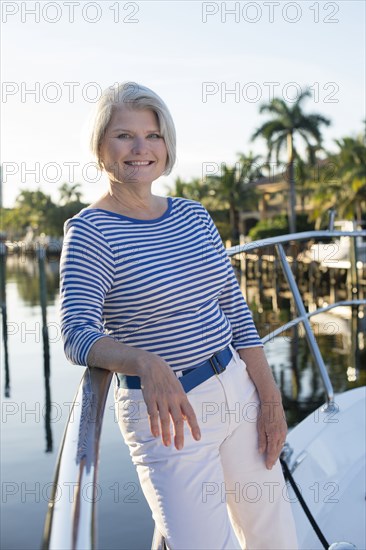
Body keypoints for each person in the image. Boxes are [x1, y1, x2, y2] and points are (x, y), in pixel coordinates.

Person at [60, 81, 298, 550]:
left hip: (237, 388)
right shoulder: (90, 231)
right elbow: (75, 333)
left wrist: (269, 397)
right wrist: (144, 362)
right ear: (100, 147)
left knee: (276, 539)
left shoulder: (194, 216)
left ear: (167, 145)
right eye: (124, 135)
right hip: (168, 417)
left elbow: (234, 308)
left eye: (153, 135)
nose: (141, 148)